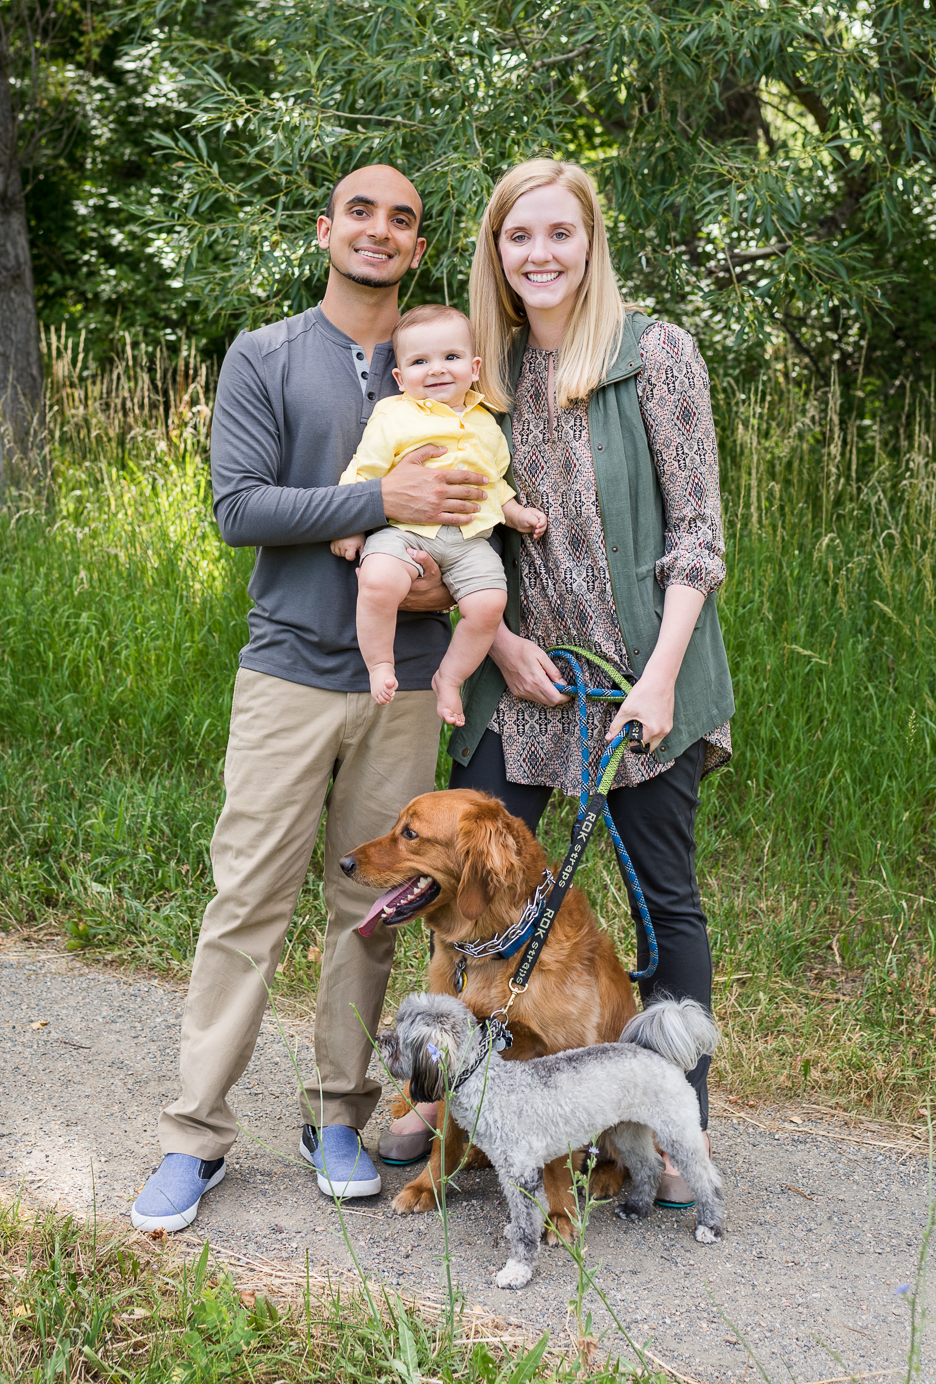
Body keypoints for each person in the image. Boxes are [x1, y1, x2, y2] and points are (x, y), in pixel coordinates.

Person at [131, 165, 491, 1231]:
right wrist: (383, 496)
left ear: (418, 247)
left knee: (373, 909)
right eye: (363, 213)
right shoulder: (269, 354)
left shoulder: (450, 364)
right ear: (327, 230)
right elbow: (239, 506)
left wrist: (443, 572)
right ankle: (193, 1135)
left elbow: (476, 511)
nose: (381, 231)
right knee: (247, 902)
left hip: (411, 681)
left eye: (404, 219)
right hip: (289, 669)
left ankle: (339, 1115)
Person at [395, 158, 735, 1200]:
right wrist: (497, 644)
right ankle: (441, 1100)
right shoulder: (480, 375)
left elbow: (698, 535)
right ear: (493, 252)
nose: (538, 254)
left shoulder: (656, 354)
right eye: (517, 237)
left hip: (640, 681)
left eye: (559, 233)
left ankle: (673, 1136)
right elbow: (449, 531)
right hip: (526, 681)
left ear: (592, 241)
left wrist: (662, 678)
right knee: (467, 890)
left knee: (663, 903)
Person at [331, 303, 546, 725]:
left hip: (469, 542)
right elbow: (366, 468)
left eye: (451, 357)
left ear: (474, 367)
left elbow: (493, 483)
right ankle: (379, 663)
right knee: (377, 581)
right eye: (419, 361)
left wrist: (516, 514)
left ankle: (449, 677)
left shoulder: (486, 423)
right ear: (399, 377)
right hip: (405, 533)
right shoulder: (394, 414)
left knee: (489, 604)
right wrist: (351, 525)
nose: (436, 370)